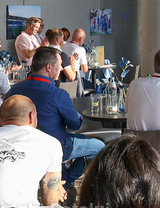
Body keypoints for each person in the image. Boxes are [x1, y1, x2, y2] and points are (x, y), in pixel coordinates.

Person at [6, 46, 103, 186]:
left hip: (19, 145)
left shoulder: (13, 90)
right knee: (100, 147)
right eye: (60, 66)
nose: (61, 69)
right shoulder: (57, 94)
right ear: (49, 67)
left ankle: (61, 179)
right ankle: (66, 182)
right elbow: (75, 124)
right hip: (56, 145)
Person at [64, 28, 89, 96]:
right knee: (77, 98)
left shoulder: (62, 47)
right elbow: (84, 70)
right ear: (80, 39)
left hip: (62, 76)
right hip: (74, 76)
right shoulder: (80, 49)